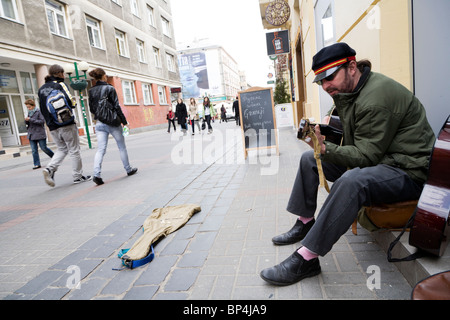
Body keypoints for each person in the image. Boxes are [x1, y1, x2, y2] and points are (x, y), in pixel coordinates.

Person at [260, 42, 436, 286]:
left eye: (329, 77)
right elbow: (359, 138)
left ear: (352, 67)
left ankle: (308, 257)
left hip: (409, 171)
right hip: (385, 159)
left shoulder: (376, 98)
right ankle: (305, 223)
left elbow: (366, 156)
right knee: (309, 159)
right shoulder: (352, 90)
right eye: (320, 81)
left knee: (351, 181)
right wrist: (326, 133)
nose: (325, 86)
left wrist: (326, 148)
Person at [38, 64, 92, 187]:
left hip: (52, 126)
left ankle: (49, 168)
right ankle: (77, 176)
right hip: (65, 122)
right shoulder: (60, 85)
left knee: (62, 149)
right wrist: (73, 104)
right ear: (61, 73)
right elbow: (71, 102)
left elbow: (42, 108)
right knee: (74, 150)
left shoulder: (41, 89)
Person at [88, 67, 138, 185]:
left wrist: (100, 115)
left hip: (99, 123)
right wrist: (124, 122)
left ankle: (96, 174)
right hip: (113, 123)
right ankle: (128, 169)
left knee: (100, 150)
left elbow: (91, 108)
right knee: (121, 147)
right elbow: (116, 106)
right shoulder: (110, 88)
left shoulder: (91, 91)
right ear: (104, 76)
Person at [24, 99, 54, 169]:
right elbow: (28, 124)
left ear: (33, 105)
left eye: (29, 107)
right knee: (34, 150)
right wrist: (26, 121)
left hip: (39, 133)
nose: (28, 108)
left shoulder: (38, 112)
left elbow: (42, 121)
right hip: (31, 134)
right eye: (27, 107)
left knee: (44, 148)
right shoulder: (29, 113)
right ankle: (37, 164)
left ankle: (55, 157)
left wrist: (30, 119)